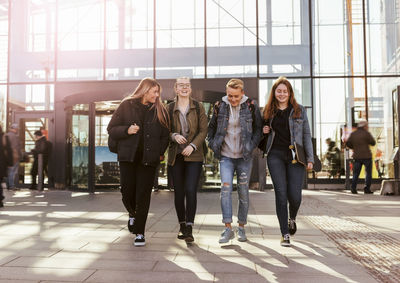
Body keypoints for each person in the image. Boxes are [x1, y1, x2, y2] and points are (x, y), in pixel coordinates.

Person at [107, 78, 170, 247]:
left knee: (143, 195)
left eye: (158, 92)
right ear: (145, 90)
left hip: (148, 160)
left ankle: (140, 232)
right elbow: (111, 128)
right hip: (128, 157)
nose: (157, 95)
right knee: (127, 191)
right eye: (154, 92)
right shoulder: (126, 105)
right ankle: (132, 214)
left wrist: (159, 153)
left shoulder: (160, 110)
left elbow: (165, 135)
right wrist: (127, 130)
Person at [259, 76, 313, 247]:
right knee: (281, 194)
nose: (282, 94)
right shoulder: (267, 111)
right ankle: (284, 233)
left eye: (285, 91)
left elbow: (306, 135)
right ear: (274, 92)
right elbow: (260, 136)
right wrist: (263, 130)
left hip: (295, 156)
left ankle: (292, 218)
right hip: (275, 155)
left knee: (295, 196)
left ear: (290, 93)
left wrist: (310, 158)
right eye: (279, 91)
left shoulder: (299, 110)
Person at [208, 78, 263, 244]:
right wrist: (211, 143)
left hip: (244, 156)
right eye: (230, 95)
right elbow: (211, 127)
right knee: (225, 189)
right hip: (226, 156)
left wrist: (252, 145)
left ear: (242, 94)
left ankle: (241, 227)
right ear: (226, 93)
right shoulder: (219, 106)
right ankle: (227, 228)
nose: (233, 99)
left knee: (243, 191)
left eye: (236, 96)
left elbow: (258, 129)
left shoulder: (251, 106)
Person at [167, 77, 208, 243]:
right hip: (176, 155)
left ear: (190, 89)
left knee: (190, 190)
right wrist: (173, 135)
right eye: (181, 85)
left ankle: (189, 227)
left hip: (194, 155)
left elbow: (203, 131)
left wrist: (192, 146)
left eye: (187, 85)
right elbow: (164, 130)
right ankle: (182, 225)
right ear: (176, 88)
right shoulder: (169, 108)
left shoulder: (198, 107)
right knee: (179, 192)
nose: (184, 88)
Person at [346, 120, 376, 194]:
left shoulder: (353, 134)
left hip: (357, 157)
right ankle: (367, 189)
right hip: (367, 156)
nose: (367, 127)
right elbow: (373, 142)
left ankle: (353, 188)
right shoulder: (366, 133)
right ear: (364, 126)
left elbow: (348, 143)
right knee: (368, 173)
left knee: (356, 173)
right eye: (367, 126)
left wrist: (354, 147)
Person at [5, 123, 22, 190]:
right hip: (14, 157)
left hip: (7, 157)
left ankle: (8, 186)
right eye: (17, 129)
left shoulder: (6, 135)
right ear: (15, 129)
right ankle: (11, 186)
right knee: (12, 172)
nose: (17, 130)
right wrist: (20, 156)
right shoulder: (15, 136)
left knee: (8, 172)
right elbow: (16, 148)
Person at [0, 125, 13, 207]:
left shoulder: (4, 137)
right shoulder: (4, 137)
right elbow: (9, 151)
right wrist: (9, 163)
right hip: (2, 164)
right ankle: (0, 200)